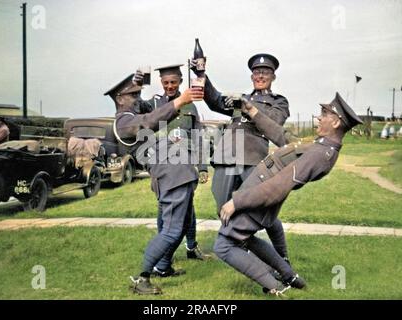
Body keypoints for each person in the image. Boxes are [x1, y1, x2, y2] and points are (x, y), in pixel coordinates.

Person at [214, 92, 363, 296]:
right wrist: (253, 111)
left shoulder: (321, 154)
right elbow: (283, 138)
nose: (318, 117)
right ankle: (290, 277)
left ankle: (276, 287)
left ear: (336, 123)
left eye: (324, 114)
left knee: (224, 245)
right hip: (258, 193)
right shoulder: (320, 145)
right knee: (244, 238)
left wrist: (237, 202)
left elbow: (279, 185)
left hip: (260, 197)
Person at [105, 73, 204, 295]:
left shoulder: (131, 112)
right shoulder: (123, 122)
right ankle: (142, 278)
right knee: (170, 231)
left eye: (139, 93)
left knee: (180, 224)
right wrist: (180, 100)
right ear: (120, 99)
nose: (139, 98)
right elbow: (149, 120)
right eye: (133, 94)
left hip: (178, 172)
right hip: (172, 174)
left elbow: (153, 113)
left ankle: (164, 267)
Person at [190, 53, 292, 263]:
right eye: (256, 72)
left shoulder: (278, 102)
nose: (260, 76)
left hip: (253, 160)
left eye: (265, 72)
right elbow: (215, 100)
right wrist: (201, 74)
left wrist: (249, 108)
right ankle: (240, 249)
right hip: (226, 158)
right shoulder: (241, 98)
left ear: (273, 76)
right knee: (223, 209)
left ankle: (282, 257)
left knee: (264, 210)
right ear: (252, 75)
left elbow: (274, 125)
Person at [133, 64, 209, 260]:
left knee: (189, 208)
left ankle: (191, 247)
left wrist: (202, 167)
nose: (170, 86)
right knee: (163, 209)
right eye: (166, 82)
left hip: (185, 168)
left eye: (173, 82)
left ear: (180, 82)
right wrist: (137, 85)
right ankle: (163, 252)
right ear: (161, 82)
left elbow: (198, 136)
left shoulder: (189, 105)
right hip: (162, 168)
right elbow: (135, 107)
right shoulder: (153, 104)